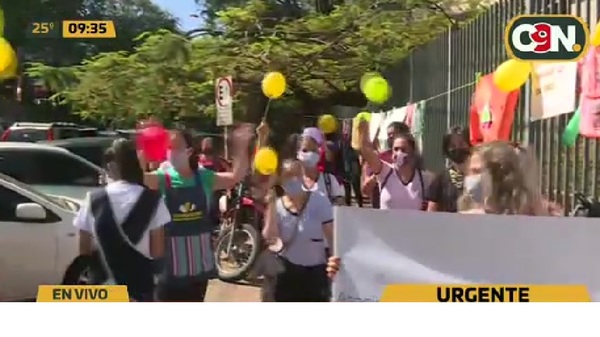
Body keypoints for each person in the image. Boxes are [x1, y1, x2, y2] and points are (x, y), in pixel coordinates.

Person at [141, 125, 252, 301]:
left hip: (197, 270)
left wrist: (241, 147)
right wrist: (144, 148)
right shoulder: (163, 178)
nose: (171, 152)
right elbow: (139, 178)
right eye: (168, 148)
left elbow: (236, 176)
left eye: (176, 147)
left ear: (189, 151)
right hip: (169, 272)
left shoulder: (204, 177)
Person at [74, 139, 171, 301]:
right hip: (140, 288)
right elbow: (158, 251)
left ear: (111, 167)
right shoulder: (153, 200)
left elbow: (84, 249)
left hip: (103, 287)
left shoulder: (93, 200)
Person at [260, 159, 333, 302]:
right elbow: (270, 238)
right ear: (281, 180)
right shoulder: (278, 205)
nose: (293, 180)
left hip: (315, 275)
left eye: (296, 175)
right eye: (287, 176)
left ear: (303, 176)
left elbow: (332, 237)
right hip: (286, 274)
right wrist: (271, 205)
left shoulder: (320, 200)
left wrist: (334, 263)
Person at [358, 120, 430, 210]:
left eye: (403, 150)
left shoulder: (424, 178)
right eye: (396, 149)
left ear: (412, 152)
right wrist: (364, 130)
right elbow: (366, 152)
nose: (399, 153)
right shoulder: (385, 171)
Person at [361, 121, 411, 208]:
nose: (391, 137)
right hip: (381, 210)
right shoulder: (379, 159)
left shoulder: (414, 160)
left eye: (394, 134)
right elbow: (366, 190)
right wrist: (379, 174)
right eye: (389, 134)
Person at [426, 126, 471, 212]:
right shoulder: (440, 180)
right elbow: (431, 212)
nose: (457, 148)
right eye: (452, 145)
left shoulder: (480, 176)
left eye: (461, 143)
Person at [299, 127, 345, 205]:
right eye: (305, 150)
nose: (309, 154)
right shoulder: (291, 181)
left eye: (313, 150)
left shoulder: (330, 182)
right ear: (297, 153)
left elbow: (340, 207)